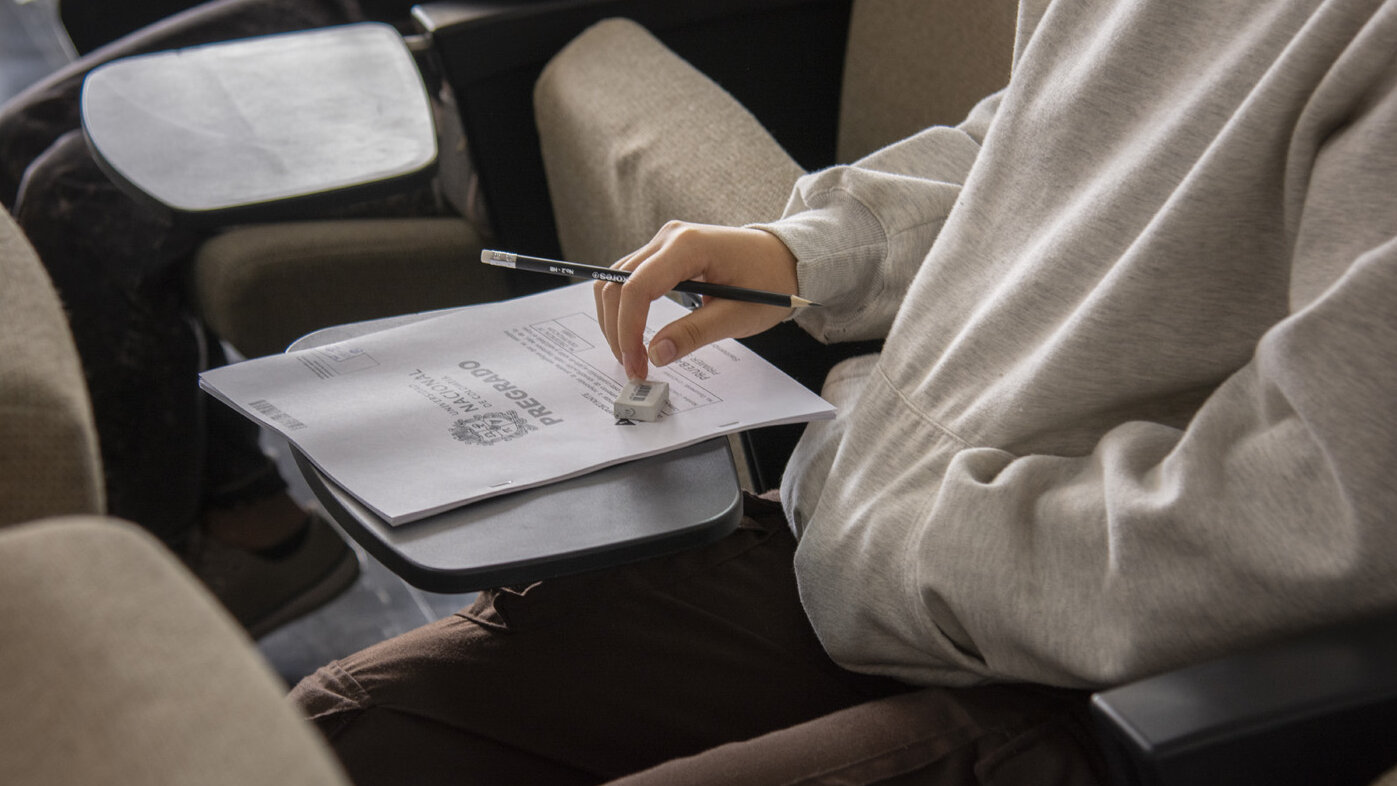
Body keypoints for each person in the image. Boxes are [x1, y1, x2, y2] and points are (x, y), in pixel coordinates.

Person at [289, 0, 1397, 782]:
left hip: (1117, 679)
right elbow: (1036, 135)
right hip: (886, 534)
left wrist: (910, 541)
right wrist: (813, 249)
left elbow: (1311, 515)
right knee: (332, 737)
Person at [0, 0, 434, 635]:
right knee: (14, 146)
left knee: (77, 199)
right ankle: (249, 511)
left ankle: (145, 583)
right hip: (360, 17)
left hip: (463, 78)